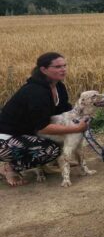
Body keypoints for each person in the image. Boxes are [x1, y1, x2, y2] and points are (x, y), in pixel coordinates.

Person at [0, 52, 87, 186]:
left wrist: (84, 116)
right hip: (6, 138)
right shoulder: (36, 92)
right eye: (57, 67)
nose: (63, 69)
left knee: (57, 140)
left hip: (27, 134)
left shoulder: (59, 87)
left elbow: (64, 112)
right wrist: (76, 128)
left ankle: (44, 165)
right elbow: (43, 127)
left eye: (64, 65)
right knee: (50, 150)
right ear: (43, 69)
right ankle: (9, 167)